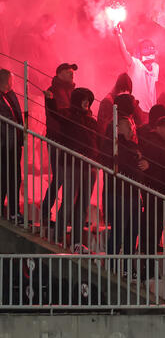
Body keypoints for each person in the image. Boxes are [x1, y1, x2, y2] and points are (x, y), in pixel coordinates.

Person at [59, 87, 100, 250]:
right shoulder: (68, 116)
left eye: (88, 100)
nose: (87, 103)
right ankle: (58, 238)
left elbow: (96, 143)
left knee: (82, 207)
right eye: (83, 99)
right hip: (72, 165)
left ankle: (76, 242)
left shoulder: (92, 121)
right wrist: (49, 101)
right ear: (77, 100)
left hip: (89, 167)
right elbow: (55, 116)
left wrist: (97, 159)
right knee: (68, 202)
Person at [138, 115, 165, 254]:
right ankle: (159, 265)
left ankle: (164, 264)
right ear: (158, 128)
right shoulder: (152, 144)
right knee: (157, 232)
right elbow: (149, 167)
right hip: (158, 195)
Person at [106, 115, 149, 255]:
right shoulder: (113, 144)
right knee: (119, 231)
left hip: (134, 194)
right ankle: (112, 266)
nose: (132, 129)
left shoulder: (135, 146)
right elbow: (121, 163)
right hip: (119, 193)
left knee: (132, 233)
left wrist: (145, 164)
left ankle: (126, 269)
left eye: (132, 126)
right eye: (128, 125)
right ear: (118, 127)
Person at [40, 62, 76, 225]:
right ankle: (46, 212)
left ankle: (66, 215)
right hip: (57, 140)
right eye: (68, 71)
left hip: (69, 141)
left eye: (72, 72)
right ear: (59, 73)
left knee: (70, 178)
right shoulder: (54, 91)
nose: (71, 74)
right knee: (60, 177)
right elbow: (59, 116)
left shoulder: (73, 92)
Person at [115, 25, 159, 114]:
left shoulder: (156, 67)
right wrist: (118, 35)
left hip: (151, 111)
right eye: (146, 48)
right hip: (137, 110)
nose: (149, 50)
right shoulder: (135, 64)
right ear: (139, 52)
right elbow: (124, 52)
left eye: (151, 48)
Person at [0, 69, 24, 223]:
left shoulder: (9, 96)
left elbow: (17, 117)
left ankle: (15, 211)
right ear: (6, 80)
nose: (13, 83)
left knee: (14, 177)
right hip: (4, 145)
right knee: (3, 177)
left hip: (14, 144)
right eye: (11, 79)